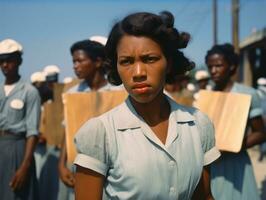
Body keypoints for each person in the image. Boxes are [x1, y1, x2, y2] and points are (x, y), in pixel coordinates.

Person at [74, 11, 220, 200]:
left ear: (168, 63)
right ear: (116, 67)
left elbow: (204, 196)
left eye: (150, 59)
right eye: (126, 61)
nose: (138, 72)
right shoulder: (100, 133)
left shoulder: (198, 124)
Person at [58, 38, 120, 200]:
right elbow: (68, 132)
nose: (75, 66)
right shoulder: (73, 94)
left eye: (80, 61)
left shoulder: (117, 92)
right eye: (73, 62)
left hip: (114, 167)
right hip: (80, 165)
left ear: (98, 62)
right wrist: (61, 165)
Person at [205, 43, 266, 200]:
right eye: (210, 66)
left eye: (218, 66)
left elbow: (260, 133)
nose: (213, 71)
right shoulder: (206, 96)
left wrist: (233, 145)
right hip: (210, 164)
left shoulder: (247, 94)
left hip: (236, 163)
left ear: (231, 66)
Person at [0, 39, 41, 200]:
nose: (5, 65)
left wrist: (25, 165)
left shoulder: (29, 92)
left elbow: (32, 132)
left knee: (15, 194)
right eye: (1, 60)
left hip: (17, 148)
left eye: (9, 60)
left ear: (19, 61)